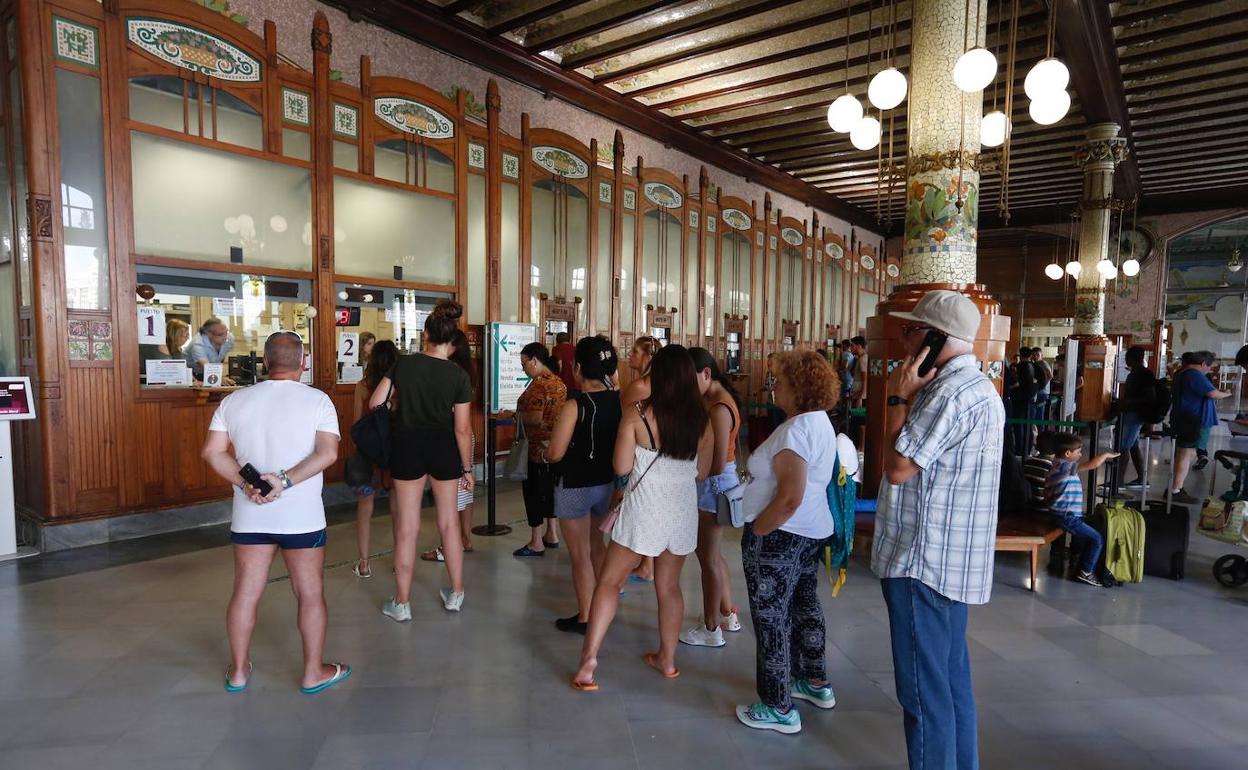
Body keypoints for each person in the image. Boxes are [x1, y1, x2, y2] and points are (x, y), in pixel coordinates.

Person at [874, 290, 1005, 770]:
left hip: (921, 561)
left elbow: (898, 468)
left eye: (911, 331)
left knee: (923, 695)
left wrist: (897, 397)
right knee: (950, 683)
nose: (904, 342)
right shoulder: (980, 388)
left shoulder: (945, 393)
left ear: (935, 338)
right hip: (953, 561)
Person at [200, 331, 350, 694]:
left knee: (245, 592)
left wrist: (247, 484)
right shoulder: (318, 401)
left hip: (251, 515)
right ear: (303, 363)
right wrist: (283, 481)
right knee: (309, 593)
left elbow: (212, 452)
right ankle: (312, 672)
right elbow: (328, 453)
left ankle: (238, 671)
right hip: (302, 518)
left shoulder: (234, 401)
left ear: (265, 362)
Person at [572, 344, 712, 690]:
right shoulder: (702, 421)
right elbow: (702, 472)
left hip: (643, 510)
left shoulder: (637, 415)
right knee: (669, 587)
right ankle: (668, 660)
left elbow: (621, 467)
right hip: (681, 513)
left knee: (609, 582)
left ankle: (589, 660)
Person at [734, 351, 857, 735]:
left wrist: (759, 530)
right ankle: (813, 680)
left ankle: (777, 706)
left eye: (780, 380)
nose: (774, 387)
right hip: (810, 532)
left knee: (771, 618)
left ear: (798, 386)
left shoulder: (796, 431)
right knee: (804, 606)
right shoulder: (818, 422)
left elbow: (789, 498)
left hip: (782, 536)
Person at [370, 300, 474, 616]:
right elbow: (462, 429)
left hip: (407, 447)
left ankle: (402, 603)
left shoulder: (403, 365)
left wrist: (395, 406)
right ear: (451, 339)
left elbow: (375, 403)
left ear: (425, 334)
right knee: (449, 524)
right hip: (444, 448)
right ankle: (456, 594)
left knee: (407, 526)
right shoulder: (458, 376)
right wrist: (467, 468)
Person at [544, 336, 622, 634]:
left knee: (579, 555)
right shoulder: (619, 400)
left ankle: (587, 617)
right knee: (597, 547)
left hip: (575, 486)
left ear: (577, 368)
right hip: (607, 483)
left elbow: (555, 453)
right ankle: (605, 608)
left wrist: (544, 453)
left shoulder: (576, 404)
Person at [680, 347, 743, 649]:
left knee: (707, 560)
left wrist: (692, 476)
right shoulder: (715, 400)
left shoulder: (719, 408)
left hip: (714, 485)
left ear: (706, 373)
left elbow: (717, 463)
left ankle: (711, 628)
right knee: (713, 556)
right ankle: (727, 614)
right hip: (715, 483)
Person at [421, 328, 479, 562]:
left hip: (452, 436)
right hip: (466, 435)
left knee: (450, 498)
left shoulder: (449, 372)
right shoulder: (466, 372)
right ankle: (465, 538)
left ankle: (449, 547)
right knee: (465, 491)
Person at [350, 339, 399, 579]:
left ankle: (364, 564)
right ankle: (400, 561)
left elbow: (357, 423)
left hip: (368, 455)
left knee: (365, 509)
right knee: (398, 510)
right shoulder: (400, 387)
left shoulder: (362, 386)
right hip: (394, 454)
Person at [513, 342, 567, 557]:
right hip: (556, 447)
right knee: (551, 491)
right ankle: (552, 534)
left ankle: (536, 541)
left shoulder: (538, 386)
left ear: (534, 361)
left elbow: (535, 418)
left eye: (524, 363)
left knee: (534, 493)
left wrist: (513, 416)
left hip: (536, 450)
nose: (523, 368)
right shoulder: (558, 383)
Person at [1045, 432, 1118, 586]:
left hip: (1064, 514)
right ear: (1067, 453)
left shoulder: (1058, 465)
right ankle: (1086, 571)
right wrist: (1105, 455)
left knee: (1086, 530)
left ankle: (1077, 560)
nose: (1080, 455)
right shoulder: (1064, 466)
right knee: (1097, 539)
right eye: (1078, 452)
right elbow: (1093, 465)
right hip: (1066, 516)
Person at [1169, 350, 1232, 504]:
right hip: (1192, 419)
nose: (1209, 370)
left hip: (1184, 418)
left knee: (1185, 453)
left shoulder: (1181, 373)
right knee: (1187, 453)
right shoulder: (1194, 375)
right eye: (1209, 367)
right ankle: (1176, 490)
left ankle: (1176, 487)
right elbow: (1212, 394)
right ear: (1203, 364)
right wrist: (1226, 394)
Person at [622, 335, 659, 581]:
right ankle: (647, 562)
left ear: (647, 356)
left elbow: (623, 418)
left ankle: (643, 563)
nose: (629, 355)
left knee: (636, 509)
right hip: (656, 453)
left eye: (634, 352)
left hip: (639, 452)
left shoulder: (640, 386)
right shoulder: (662, 382)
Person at [1115, 346, 1156, 489]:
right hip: (1131, 412)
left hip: (1135, 414)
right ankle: (1141, 479)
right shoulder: (1134, 373)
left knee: (1123, 447)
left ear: (1135, 358)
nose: (1126, 360)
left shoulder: (1144, 374)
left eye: (1127, 357)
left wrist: (1129, 402)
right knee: (1133, 446)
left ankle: (1118, 481)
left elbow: (1150, 396)